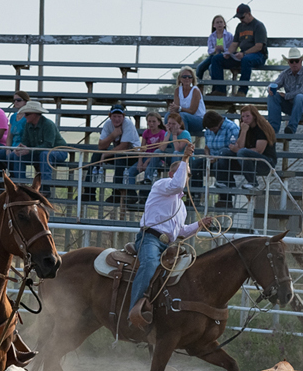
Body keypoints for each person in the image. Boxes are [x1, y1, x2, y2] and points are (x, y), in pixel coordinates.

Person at [129, 140, 213, 330]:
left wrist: (199, 225)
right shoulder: (162, 185)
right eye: (184, 174)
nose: (186, 178)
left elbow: (180, 231)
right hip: (149, 238)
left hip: (166, 244)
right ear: (172, 174)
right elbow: (176, 185)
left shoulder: (181, 206)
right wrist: (185, 159)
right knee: (150, 263)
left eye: (188, 175)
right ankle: (134, 312)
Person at [203, 4, 268, 97]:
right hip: (242, 54)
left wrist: (244, 53)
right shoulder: (240, 27)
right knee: (216, 58)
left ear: (249, 14)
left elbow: (259, 46)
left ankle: (242, 91)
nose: (241, 19)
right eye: (239, 17)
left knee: (246, 59)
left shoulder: (258, 26)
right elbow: (234, 43)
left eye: (242, 17)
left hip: (258, 55)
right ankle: (219, 90)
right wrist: (228, 52)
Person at [86, 104, 141, 199]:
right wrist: (113, 135)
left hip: (133, 155)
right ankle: (89, 192)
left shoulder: (128, 124)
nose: (117, 119)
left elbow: (124, 146)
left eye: (119, 116)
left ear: (123, 117)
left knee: (120, 158)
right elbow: (101, 145)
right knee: (96, 156)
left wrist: (106, 154)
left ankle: (116, 193)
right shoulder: (108, 124)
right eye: (114, 116)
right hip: (118, 153)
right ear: (110, 116)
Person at [11, 101, 67, 185]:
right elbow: (25, 141)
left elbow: (48, 145)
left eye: (27, 114)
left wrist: (29, 150)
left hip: (59, 151)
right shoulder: (28, 125)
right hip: (39, 152)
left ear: (35, 114)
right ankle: (21, 184)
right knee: (16, 155)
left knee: (45, 155)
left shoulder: (48, 124)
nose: (25, 116)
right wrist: (21, 148)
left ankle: (45, 187)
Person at [229, 105, 278, 194]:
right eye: (243, 116)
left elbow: (259, 150)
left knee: (242, 152)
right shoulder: (245, 128)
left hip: (266, 162)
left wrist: (239, 150)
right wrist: (243, 131)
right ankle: (226, 183)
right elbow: (240, 146)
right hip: (249, 160)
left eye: (248, 116)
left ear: (254, 116)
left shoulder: (262, 129)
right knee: (225, 152)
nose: (245, 119)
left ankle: (253, 183)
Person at [267, 49, 303, 134]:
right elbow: (275, 83)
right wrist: (270, 88)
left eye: (296, 61)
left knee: (300, 97)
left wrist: (286, 96)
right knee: (272, 96)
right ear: (288, 63)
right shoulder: (285, 73)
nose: (294, 63)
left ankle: (291, 128)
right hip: (292, 105)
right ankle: (273, 130)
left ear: (301, 61)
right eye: (291, 61)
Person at [199, 109, 242, 208]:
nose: (211, 130)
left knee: (221, 162)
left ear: (219, 123)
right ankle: (193, 197)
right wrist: (208, 156)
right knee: (195, 165)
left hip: (228, 159)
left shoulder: (232, 128)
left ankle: (225, 199)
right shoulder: (208, 131)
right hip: (212, 158)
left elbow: (232, 148)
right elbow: (206, 147)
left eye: (213, 128)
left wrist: (217, 157)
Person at [197, 15, 234, 89]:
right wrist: (215, 49)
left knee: (212, 67)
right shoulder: (211, 36)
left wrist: (224, 49)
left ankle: (217, 88)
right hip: (213, 56)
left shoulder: (229, 36)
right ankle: (197, 86)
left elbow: (232, 48)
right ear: (214, 25)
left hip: (224, 56)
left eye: (221, 22)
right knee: (200, 67)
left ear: (224, 24)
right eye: (217, 22)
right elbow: (209, 50)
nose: (219, 24)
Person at [170, 69, 206, 134]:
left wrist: (179, 108)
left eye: (190, 77)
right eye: (184, 77)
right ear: (180, 79)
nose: (187, 78)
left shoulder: (195, 91)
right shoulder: (177, 90)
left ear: (192, 79)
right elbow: (176, 109)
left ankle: (184, 139)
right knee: (169, 116)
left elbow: (192, 111)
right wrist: (173, 109)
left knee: (182, 116)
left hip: (199, 120)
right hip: (183, 118)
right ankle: (169, 139)